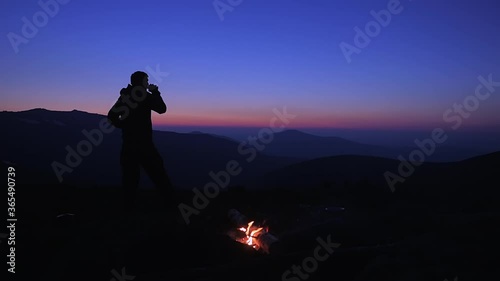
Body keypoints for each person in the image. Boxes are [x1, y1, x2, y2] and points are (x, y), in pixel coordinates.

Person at [107, 71, 176, 212]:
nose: (147, 82)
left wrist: (123, 125)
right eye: (146, 80)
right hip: (145, 145)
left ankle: (129, 211)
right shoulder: (144, 96)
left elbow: (112, 116)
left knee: (130, 179)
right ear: (141, 81)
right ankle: (171, 208)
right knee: (159, 175)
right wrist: (156, 92)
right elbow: (162, 109)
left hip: (128, 144)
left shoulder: (125, 96)